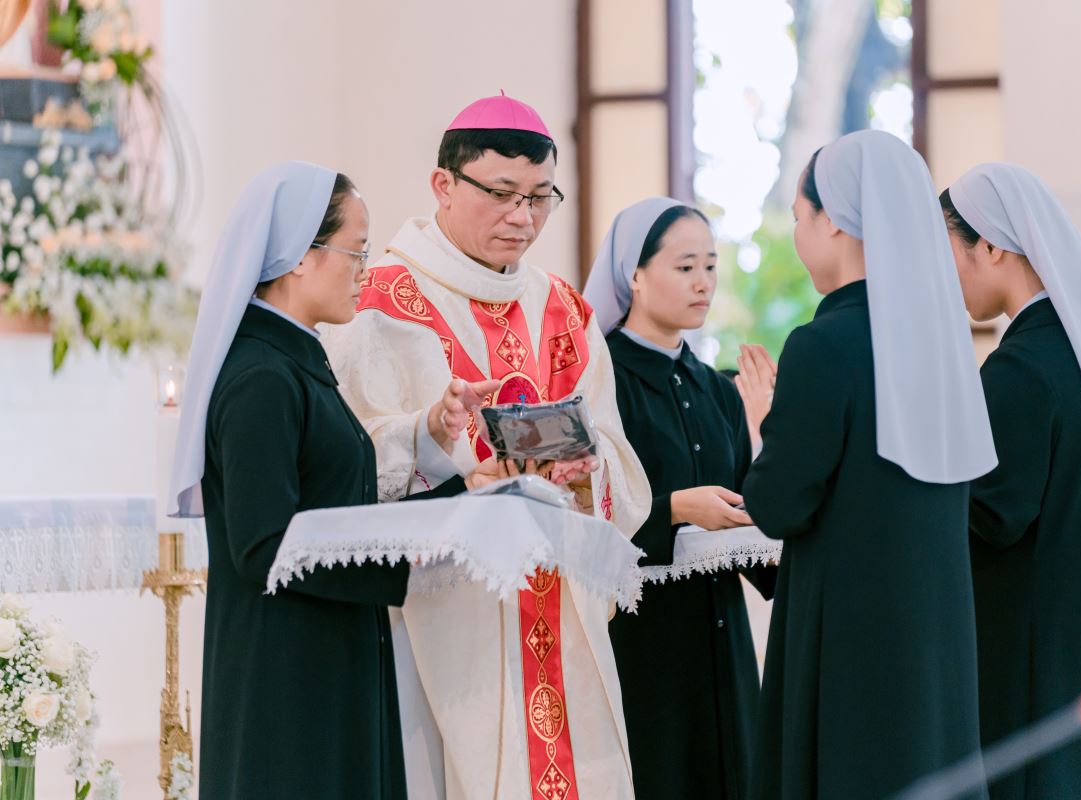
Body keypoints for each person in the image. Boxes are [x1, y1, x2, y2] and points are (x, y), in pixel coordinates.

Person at [324, 94, 651, 800]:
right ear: (443, 184)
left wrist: (586, 471)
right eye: (502, 194)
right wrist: (433, 437)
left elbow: (618, 459)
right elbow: (345, 463)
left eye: (539, 197)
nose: (522, 217)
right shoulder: (378, 303)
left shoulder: (564, 308)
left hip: (561, 606)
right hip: (448, 614)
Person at [167, 162, 497, 799]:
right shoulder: (262, 377)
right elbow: (265, 545)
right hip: (286, 676)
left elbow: (338, 505)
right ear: (299, 256)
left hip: (326, 655)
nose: (364, 271)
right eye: (357, 251)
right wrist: (403, 558)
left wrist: (464, 494)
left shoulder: (295, 360)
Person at [743, 130, 997, 799]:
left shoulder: (823, 344)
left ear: (833, 221)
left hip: (850, 636)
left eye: (800, 217)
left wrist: (762, 424)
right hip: (936, 629)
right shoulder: (946, 347)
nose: (799, 234)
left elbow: (777, 505)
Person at [943, 161, 1081, 798]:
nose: (944, 273)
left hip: (1040, 652)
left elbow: (992, 514)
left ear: (991, 247)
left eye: (947, 249)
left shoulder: (1019, 367)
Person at [583, 198, 775, 799]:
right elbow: (584, 512)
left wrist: (771, 435)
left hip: (723, 647)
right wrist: (677, 509)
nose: (703, 283)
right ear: (634, 274)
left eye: (711, 266)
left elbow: (749, 522)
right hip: (646, 650)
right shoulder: (600, 383)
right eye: (685, 266)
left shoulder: (717, 390)